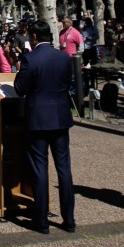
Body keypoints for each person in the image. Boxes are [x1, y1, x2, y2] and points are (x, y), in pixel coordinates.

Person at [14, 20, 76, 234]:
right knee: (64, 168)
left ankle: (41, 220)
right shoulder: (63, 57)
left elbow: (19, 88)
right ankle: (69, 219)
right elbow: (68, 83)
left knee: (40, 169)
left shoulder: (30, 58)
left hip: (38, 118)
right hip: (60, 116)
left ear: (33, 37)